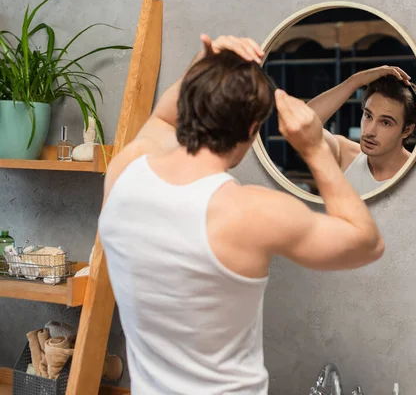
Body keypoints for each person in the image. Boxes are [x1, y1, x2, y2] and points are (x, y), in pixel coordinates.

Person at [97, 34, 385, 395]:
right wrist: (313, 148)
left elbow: (164, 119)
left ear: (190, 98)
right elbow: (367, 243)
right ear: (252, 131)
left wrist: (204, 66)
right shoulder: (248, 213)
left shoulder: (124, 171)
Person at [307, 66, 416, 194]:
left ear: (407, 130)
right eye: (368, 116)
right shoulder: (345, 156)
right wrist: (355, 81)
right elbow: (303, 124)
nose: (369, 131)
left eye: (385, 122)